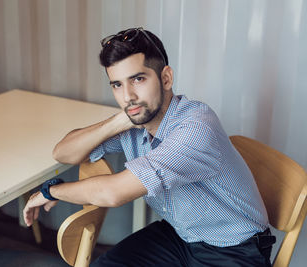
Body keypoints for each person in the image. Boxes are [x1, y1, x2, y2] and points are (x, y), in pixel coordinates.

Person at [23, 27, 275, 266]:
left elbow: (113, 193)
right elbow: (64, 153)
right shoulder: (137, 119)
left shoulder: (196, 128)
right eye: (117, 85)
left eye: (138, 79)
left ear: (166, 78)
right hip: (182, 235)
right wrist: (118, 121)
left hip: (234, 248)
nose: (128, 96)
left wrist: (51, 191)